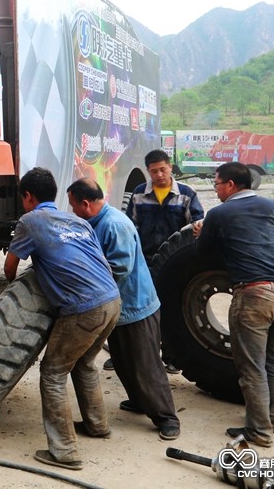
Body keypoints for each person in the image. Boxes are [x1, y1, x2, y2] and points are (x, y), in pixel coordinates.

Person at [4, 167, 120, 471]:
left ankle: (65, 451)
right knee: (84, 363)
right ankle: (97, 425)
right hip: (112, 300)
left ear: (28, 197)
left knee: (53, 372)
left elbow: (8, 269)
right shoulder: (78, 221)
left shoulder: (30, 221)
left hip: (84, 309)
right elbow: (102, 263)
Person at [66, 178, 181, 441]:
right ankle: (140, 401)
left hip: (135, 305)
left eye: (73, 206)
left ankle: (167, 418)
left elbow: (119, 268)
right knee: (122, 361)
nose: (72, 211)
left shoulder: (115, 225)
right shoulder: (95, 222)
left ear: (86, 203)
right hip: (117, 305)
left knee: (145, 364)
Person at [195, 162, 274, 447]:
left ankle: (259, 431)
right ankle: (271, 420)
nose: (215, 190)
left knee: (252, 368)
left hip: (252, 295)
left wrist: (202, 232)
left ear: (230, 185)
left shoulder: (219, 213)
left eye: (216, 184)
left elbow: (202, 252)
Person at [126, 148, 205, 373]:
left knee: (171, 309)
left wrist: (200, 227)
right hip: (144, 261)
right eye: (154, 171)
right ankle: (139, 355)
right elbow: (130, 226)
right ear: (148, 172)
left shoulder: (187, 194)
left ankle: (172, 357)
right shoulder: (139, 193)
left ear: (170, 167)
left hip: (175, 264)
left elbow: (197, 224)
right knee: (141, 308)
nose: (159, 175)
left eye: (163, 169)